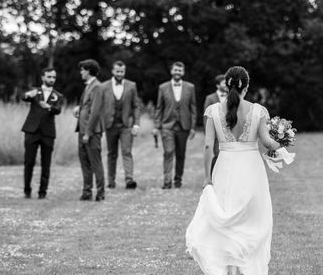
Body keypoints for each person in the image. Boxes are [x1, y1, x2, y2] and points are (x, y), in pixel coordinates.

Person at [185, 66, 281, 275]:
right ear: (247, 87)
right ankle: (245, 273)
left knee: (228, 217)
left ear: (226, 86)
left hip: (225, 166)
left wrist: (207, 178)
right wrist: (283, 142)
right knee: (251, 219)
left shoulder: (212, 110)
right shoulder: (259, 111)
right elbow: (268, 143)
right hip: (251, 168)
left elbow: (209, 146)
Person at [95, 61, 142, 189]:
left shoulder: (132, 85)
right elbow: (98, 106)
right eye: (117, 71)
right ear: (113, 71)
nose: (120, 74)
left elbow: (136, 106)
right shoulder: (103, 86)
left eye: (122, 71)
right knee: (111, 154)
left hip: (126, 125)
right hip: (110, 125)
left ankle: (129, 180)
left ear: (124, 72)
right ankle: (110, 181)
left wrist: (136, 124)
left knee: (127, 152)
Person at [152, 61, 197, 189]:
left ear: (183, 72)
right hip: (167, 126)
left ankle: (178, 180)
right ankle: (167, 181)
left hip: (184, 126)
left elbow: (193, 108)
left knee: (181, 154)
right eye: (175, 70)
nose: (177, 72)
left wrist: (193, 127)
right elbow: (159, 108)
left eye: (180, 70)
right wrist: (156, 125)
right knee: (168, 152)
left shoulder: (190, 87)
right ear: (171, 71)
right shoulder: (163, 87)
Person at [21, 67, 64, 199]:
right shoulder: (35, 91)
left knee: (46, 163)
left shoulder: (58, 95)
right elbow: (23, 97)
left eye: (53, 77)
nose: (51, 79)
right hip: (31, 131)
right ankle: (27, 190)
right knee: (29, 162)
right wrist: (28, 95)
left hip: (48, 133)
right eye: (49, 77)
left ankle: (42, 192)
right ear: (43, 77)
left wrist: (49, 107)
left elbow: (58, 110)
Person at [74, 59, 105, 201]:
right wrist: (78, 109)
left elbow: (95, 111)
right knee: (84, 162)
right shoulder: (88, 86)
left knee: (95, 162)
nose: (80, 72)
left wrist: (88, 133)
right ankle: (86, 192)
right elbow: (86, 106)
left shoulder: (97, 87)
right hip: (81, 130)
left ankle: (100, 193)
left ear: (89, 71)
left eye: (82, 69)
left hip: (91, 132)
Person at [202, 74, 227, 172]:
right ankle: (212, 175)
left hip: (229, 132)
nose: (227, 85)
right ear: (217, 85)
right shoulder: (210, 98)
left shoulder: (232, 97)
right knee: (218, 154)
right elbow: (206, 117)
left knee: (225, 155)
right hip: (215, 132)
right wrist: (207, 133)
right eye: (224, 83)